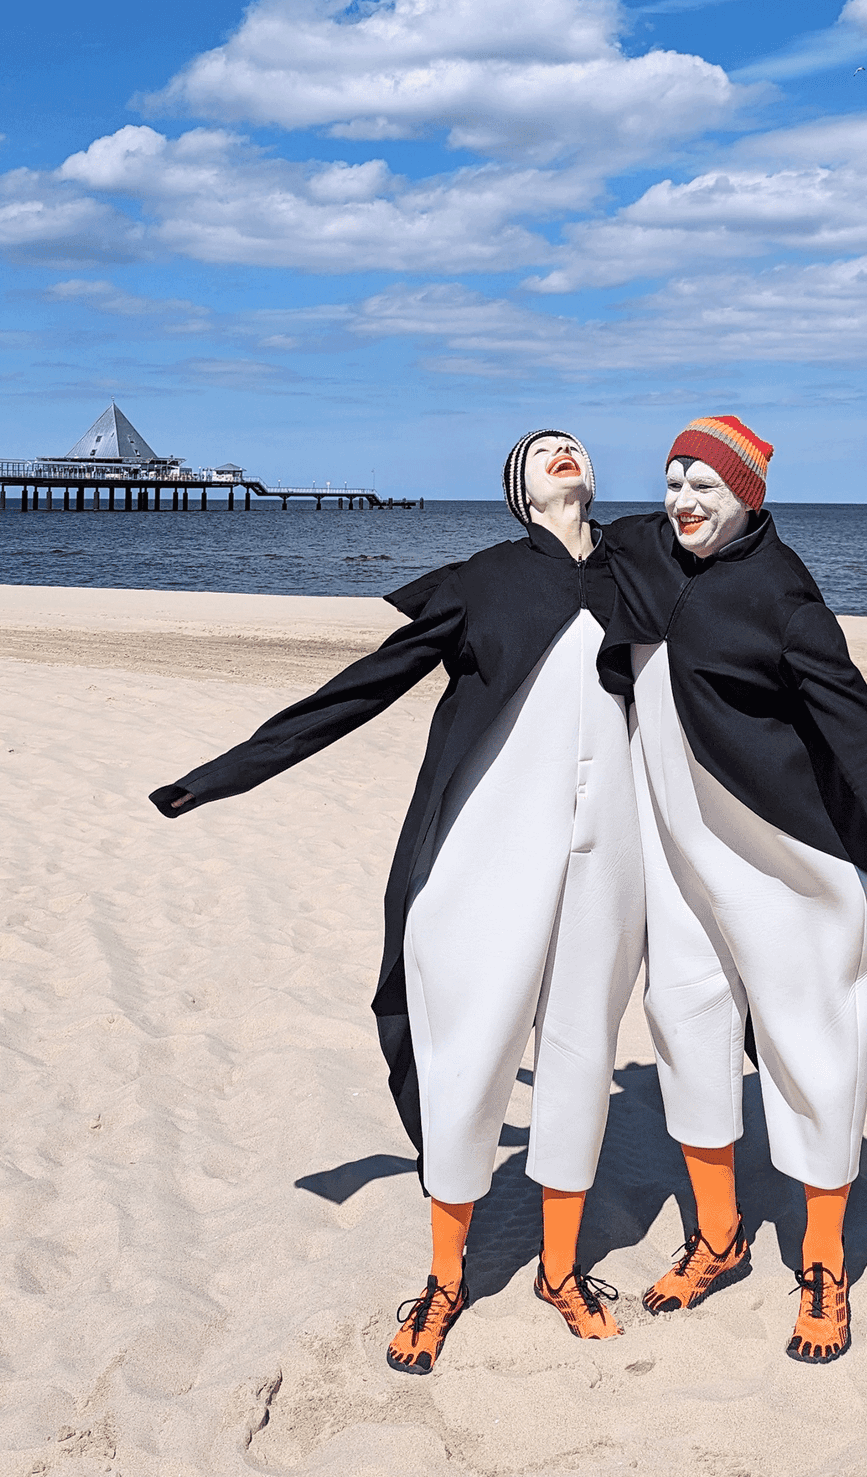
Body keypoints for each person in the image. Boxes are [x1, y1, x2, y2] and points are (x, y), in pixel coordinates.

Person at [147, 431, 644, 1369]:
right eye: (541, 451)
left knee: (582, 1052)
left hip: (609, 857)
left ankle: (562, 1269)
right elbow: (364, 687)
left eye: (572, 443)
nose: (563, 451)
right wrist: (225, 773)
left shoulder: (639, 567)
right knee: (471, 1048)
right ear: (520, 490)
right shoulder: (481, 579)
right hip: (493, 849)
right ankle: (447, 1278)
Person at [598, 416, 867, 1365]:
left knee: (814, 1060)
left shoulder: (787, 602)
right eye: (672, 480)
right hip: (684, 866)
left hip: (791, 870)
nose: (682, 501)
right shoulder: (643, 547)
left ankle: (825, 1266)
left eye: (704, 486)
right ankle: (717, 1237)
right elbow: (573, 554)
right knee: (682, 1031)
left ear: (746, 494)